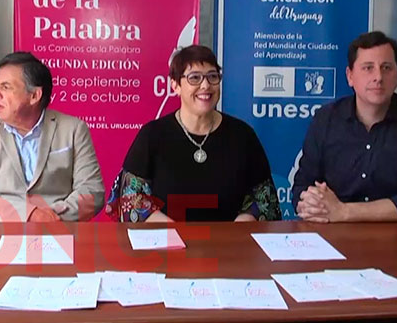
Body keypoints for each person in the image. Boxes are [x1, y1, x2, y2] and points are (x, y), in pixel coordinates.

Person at [105, 45, 280, 222]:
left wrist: (240, 226)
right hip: (166, 238)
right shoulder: (152, 135)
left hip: (231, 239)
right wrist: (172, 231)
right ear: (175, 85)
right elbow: (129, 199)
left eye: (212, 76)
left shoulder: (243, 136)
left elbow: (265, 200)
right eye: (194, 77)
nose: (205, 85)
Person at [291, 31, 397, 223]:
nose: (378, 77)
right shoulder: (326, 118)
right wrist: (309, 203)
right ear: (350, 76)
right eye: (368, 68)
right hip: (332, 232)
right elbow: (302, 186)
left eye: (386, 68)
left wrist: (344, 212)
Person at [0, 52, 104, 222]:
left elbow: (92, 191)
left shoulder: (73, 129)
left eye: (5, 87)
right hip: (0, 231)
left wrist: (51, 217)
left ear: (34, 96)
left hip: (59, 229)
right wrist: (30, 215)